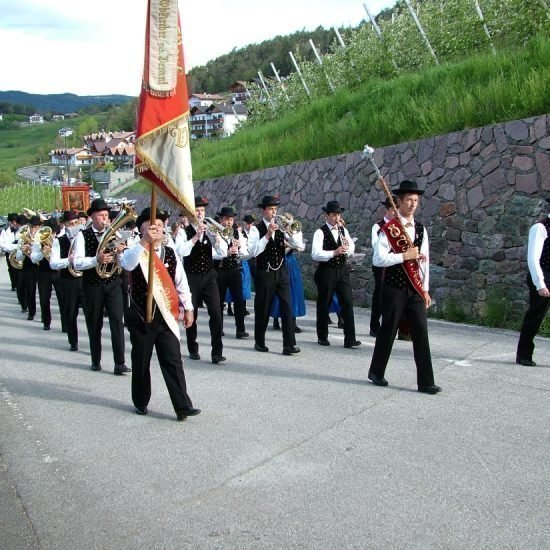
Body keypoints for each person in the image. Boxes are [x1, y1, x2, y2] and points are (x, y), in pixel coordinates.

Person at [120, 207, 200, 420]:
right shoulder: (133, 248)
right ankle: (140, 400)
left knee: (173, 359)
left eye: (161, 223)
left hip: (166, 316)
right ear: (142, 227)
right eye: (151, 223)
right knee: (141, 360)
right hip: (141, 316)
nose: (156, 227)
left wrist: (189, 308)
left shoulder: (170, 252)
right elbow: (128, 264)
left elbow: (181, 283)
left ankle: (182, 405)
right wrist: (144, 242)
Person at [368, 180, 441, 394]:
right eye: (408, 199)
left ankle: (426, 382)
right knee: (388, 330)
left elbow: (424, 262)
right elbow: (378, 259)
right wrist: (403, 256)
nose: (412, 204)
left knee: (421, 332)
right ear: (399, 201)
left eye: (416, 200)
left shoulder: (420, 229)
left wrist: (425, 290)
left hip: (415, 289)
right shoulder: (389, 228)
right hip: (394, 287)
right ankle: (376, 371)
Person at [73, 198, 129, 374]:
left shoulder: (116, 234)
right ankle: (95, 359)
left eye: (106, 215)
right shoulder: (82, 235)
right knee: (94, 323)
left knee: (117, 322)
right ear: (92, 217)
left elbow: (124, 263)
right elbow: (77, 263)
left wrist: (121, 252)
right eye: (100, 215)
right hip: (92, 285)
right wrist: (96, 260)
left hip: (113, 283)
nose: (104, 219)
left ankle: (120, 362)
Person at [175, 196, 227, 364]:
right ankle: (192, 347)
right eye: (197, 210)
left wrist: (218, 241)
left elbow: (222, 254)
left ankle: (217, 352)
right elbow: (180, 252)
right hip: (192, 276)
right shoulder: (184, 232)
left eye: (203, 210)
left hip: (210, 276)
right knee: (193, 314)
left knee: (217, 314)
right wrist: (196, 237)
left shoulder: (211, 230)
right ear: (191, 213)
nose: (200, 213)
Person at [247, 195, 300, 355]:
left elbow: (298, 245)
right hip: (265, 273)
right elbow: (253, 252)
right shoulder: (256, 229)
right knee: (263, 309)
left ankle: (289, 345)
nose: (274, 213)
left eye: (275, 209)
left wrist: (291, 233)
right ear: (264, 211)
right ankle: (259, 341)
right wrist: (268, 235)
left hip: (282, 272)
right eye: (270, 209)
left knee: (288, 308)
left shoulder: (282, 228)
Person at [311, 200, 361, 349]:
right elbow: (315, 254)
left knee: (347, 302)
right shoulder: (320, 232)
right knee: (324, 303)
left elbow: (351, 247)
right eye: (333, 215)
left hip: (342, 270)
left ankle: (350, 339)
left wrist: (347, 247)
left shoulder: (343, 230)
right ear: (327, 216)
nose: (337, 218)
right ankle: (322, 336)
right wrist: (334, 252)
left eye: (338, 215)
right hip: (326, 271)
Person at [516, 199, 550, 366]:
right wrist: (540, 284)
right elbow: (533, 258)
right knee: (535, 317)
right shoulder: (540, 228)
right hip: (543, 275)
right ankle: (524, 354)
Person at [50, 211, 86, 351]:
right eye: (71, 224)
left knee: (91, 312)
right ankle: (73, 341)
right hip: (68, 279)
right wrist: (68, 260)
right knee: (71, 312)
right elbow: (53, 264)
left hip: (84, 278)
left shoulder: (84, 237)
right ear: (64, 225)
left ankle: (94, 342)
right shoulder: (59, 241)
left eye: (76, 223)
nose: (74, 226)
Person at [214, 206, 249, 339]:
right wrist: (225, 250)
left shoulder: (237, 233)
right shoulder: (216, 232)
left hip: (234, 269)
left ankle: (240, 329)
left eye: (231, 219)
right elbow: (215, 253)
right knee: (219, 301)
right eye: (227, 219)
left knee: (239, 300)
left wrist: (239, 247)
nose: (229, 222)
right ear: (222, 220)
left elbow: (245, 253)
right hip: (220, 270)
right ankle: (219, 328)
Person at [270, 213, 306, 333]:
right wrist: (288, 246)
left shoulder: (295, 233)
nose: (289, 224)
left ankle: (293, 321)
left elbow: (300, 246)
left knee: (294, 290)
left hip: (291, 262)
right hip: (280, 261)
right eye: (286, 222)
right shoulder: (278, 232)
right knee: (278, 290)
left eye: (290, 221)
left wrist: (292, 239)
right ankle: (276, 318)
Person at [30, 218, 65, 331]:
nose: (51, 235)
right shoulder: (38, 241)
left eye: (53, 232)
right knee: (44, 298)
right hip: (44, 272)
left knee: (63, 299)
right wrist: (42, 252)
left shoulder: (61, 240)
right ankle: (46, 321)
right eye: (49, 232)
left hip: (59, 272)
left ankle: (65, 324)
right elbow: (33, 259)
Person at [370, 196, 397, 337]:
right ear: (387, 210)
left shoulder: (400, 226)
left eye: (397, 210)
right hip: (381, 266)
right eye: (393, 209)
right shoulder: (378, 227)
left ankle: (394, 327)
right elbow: (376, 245)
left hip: (396, 264)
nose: (395, 213)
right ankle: (374, 325)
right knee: (380, 295)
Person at [16, 215, 42, 321]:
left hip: (42, 266)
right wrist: (23, 251)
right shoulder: (23, 238)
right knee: (30, 290)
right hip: (28, 266)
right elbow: (18, 257)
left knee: (43, 292)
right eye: (32, 227)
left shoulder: (43, 236)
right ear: (29, 226)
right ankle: (31, 312)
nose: (34, 230)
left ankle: (45, 316)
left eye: (36, 227)